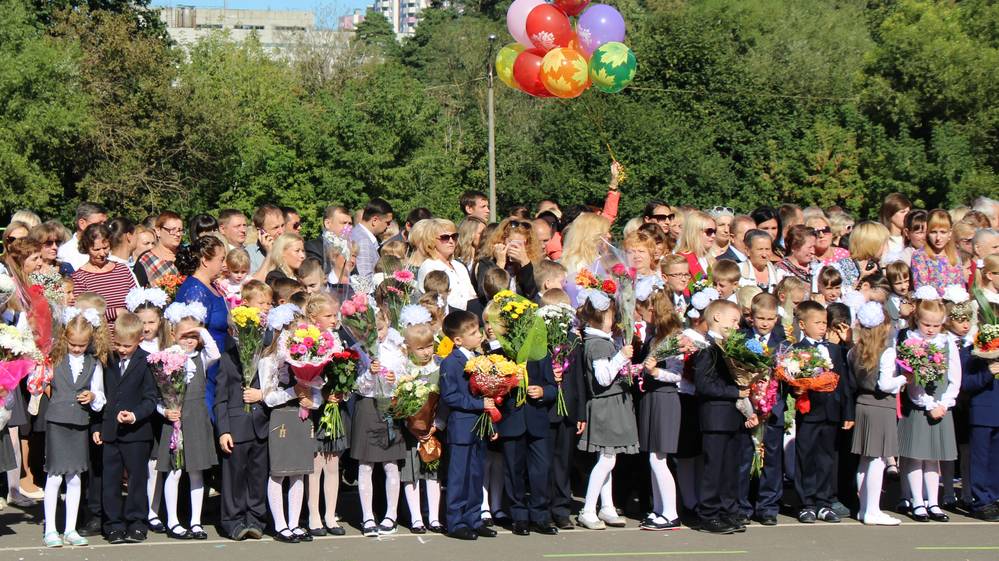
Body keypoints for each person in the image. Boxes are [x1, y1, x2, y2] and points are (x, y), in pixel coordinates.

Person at [40, 307, 109, 548]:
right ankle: (51, 528)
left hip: (80, 422)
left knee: (76, 475)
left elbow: (100, 394)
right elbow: (40, 382)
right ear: (65, 339)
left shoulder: (93, 363)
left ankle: (70, 528)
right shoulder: (55, 358)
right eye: (73, 344)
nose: (77, 348)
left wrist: (92, 396)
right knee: (54, 474)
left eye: (82, 344)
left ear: (90, 341)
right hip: (57, 421)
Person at [489, 302, 558, 536]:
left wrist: (542, 392)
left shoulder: (540, 353)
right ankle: (518, 515)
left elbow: (553, 387)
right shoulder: (499, 355)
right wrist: (509, 383)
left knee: (541, 470)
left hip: (537, 420)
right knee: (513, 469)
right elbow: (491, 390)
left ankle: (540, 514)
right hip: (512, 420)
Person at [157, 302, 220, 540]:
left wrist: (201, 331)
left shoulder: (201, 358)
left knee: (196, 472)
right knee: (174, 472)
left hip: (196, 420)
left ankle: (196, 521)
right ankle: (173, 520)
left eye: (194, 336)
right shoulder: (166, 357)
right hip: (175, 420)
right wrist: (165, 411)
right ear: (173, 334)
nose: (189, 340)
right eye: (185, 335)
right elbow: (157, 394)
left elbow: (215, 352)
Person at [575, 288, 637, 530]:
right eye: (610, 316)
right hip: (605, 406)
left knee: (608, 458)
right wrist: (621, 356)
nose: (614, 320)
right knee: (607, 459)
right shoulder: (597, 344)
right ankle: (588, 508)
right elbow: (602, 377)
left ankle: (607, 505)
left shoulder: (601, 341)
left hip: (611, 404)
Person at [95, 312, 159, 543]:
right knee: (110, 480)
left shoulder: (147, 361)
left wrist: (134, 415)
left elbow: (151, 398)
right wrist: (98, 426)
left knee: (136, 480)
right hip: (111, 430)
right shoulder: (109, 360)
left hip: (137, 433)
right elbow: (101, 394)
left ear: (139, 340)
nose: (122, 349)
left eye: (127, 346)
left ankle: (137, 522)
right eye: (119, 344)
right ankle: (113, 524)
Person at [897, 293, 960, 523]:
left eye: (936, 325)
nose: (931, 329)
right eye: (926, 324)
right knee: (915, 457)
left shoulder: (947, 342)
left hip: (941, 406)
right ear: (917, 320)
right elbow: (912, 380)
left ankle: (933, 501)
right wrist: (928, 404)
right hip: (919, 405)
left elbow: (955, 377)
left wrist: (944, 403)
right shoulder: (910, 340)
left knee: (934, 458)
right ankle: (917, 501)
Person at [260, 314, 321, 544]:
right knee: (279, 472)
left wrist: (311, 402)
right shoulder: (269, 361)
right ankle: (280, 524)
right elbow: (268, 398)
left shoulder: (307, 359)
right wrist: (293, 392)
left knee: (299, 472)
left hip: (301, 418)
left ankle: (294, 523)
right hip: (281, 418)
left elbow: (316, 392)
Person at [793, 301, 854, 524]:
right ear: (802, 324)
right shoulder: (797, 351)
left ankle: (824, 502)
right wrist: (796, 388)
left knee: (827, 458)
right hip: (809, 412)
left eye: (824, 323)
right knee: (806, 456)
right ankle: (806, 503)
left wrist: (848, 412)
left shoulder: (834, 350)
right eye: (817, 322)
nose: (822, 327)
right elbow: (792, 381)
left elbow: (843, 382)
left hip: (831, 411)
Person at [694, 299, 752, 535]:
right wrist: (734, 391)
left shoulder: (730, 348)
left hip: (732, 417)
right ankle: (708, 513)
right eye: (734, 320)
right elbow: (704, 384)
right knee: (714, 468)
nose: (737, 326)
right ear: (717, 317)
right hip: (715, 417)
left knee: (730, 468)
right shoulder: (706, 348)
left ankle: (728, 510)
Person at [439, 310, 495, 541]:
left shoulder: (478, 357)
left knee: (475, 475)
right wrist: (477, 403)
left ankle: (474, 517)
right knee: (458, 476)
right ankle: (455, 521)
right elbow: (450, 396)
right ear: (458, 340)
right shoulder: (451, 363)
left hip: (478, 426)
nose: (479, 334)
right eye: (472, 333)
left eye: (477, 330)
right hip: (461, 426)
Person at [848, 302, 903, 526]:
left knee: (865, 459)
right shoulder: (886, 351)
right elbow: (885, 384)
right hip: (881, 407)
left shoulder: (854, 350)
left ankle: (864, 509)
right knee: (879, 460)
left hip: (862, 404)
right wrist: (904, 379)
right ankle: (872, 510)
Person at [351, 309, 405, 537]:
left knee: (391, 464)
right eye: (372, 331)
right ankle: (367, 517)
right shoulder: (359, 350)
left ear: (388, 325)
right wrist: (369, 374)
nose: (377, 335)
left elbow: (406, 377)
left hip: (389, 407)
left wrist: (395, 379)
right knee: (365, 465)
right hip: (367, 406)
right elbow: (357, 386)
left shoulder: (397, 349)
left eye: (380, 329)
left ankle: (391, 515)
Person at [638, 288, 685, 530]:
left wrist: (655, 371)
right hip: (652, 396)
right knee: (653, 457)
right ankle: (659, 509)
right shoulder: (655, 337)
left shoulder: (673, 338)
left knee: (659, 458)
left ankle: (670, 513)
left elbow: (677, 375)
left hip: (665, 398)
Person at [738, 293, 786, 526]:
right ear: (751, 317)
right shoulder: (741, 339)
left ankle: (767, 506)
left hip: (772, 408)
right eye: (760, 318)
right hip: (748, 408)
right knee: (745, 457)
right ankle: (742, 505)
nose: (765, 323)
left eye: (770, 318)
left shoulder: (783, 343)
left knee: (772, 458)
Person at [396, 307, 446, 534]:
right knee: (411, 473)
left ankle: (434, 517)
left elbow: (444, 400)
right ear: (408, 349)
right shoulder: (405, 371)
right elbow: (398, 402)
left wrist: (436, 425)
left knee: (432, 472)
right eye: (421, 348)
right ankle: (416, 517)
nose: (427, 352)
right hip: (410, 432)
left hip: (433, 430)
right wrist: (411, 424)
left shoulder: (439, 367)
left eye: (429, 346)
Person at [303, 292, 349, 537]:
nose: (333, 320)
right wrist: (324, 392)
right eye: (328, 315)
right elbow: (307, 376)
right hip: (317, 408)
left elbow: (345, 371)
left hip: (335, 407)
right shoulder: (308, 341)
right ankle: (313, 515)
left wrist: (341, 391)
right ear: (313, 317)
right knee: (316, 464)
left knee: (333, 464)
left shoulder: (338, 339)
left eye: (335, 315)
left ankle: (331, 514)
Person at [174, 236, 230, 418]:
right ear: (205, 260)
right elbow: (190, 333)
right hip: (206, 366)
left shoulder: (212, 285)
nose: (224, 264)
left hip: (219, 363)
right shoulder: (195, 290)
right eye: (221, 259)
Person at [71, 223, 138, 326]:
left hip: (127, 333)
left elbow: (137, 300)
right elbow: (80, 315)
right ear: (86, 248)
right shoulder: (79, 278)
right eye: (96, 250)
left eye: (105, 247)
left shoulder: (122, 270)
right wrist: (113, 313)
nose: (102, 254)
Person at [414, 219, 476, 311]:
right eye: (445, 237)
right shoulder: (429, 266)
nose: (451, 241)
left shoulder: (459, 266)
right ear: (431, 240)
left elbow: (472, 296)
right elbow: (435, 303)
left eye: (454, 236)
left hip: (469, 318)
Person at [911, 210, 963, 294]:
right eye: (933, 232)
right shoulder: (919, 256)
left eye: (943, 232)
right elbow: (922, 290)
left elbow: (961, 287)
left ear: (950, 233)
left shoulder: (955, 255)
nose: (938, 237)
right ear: (927, 232)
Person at [133, 211, 183, 288]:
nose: (178, 234)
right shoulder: (145, 260)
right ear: (158, 231)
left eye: (180, 230)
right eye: (173, 230)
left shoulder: (187, 255)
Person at [350, 198, 394, 280]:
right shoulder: (363, 241)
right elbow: (365, 279)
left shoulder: (357, 233)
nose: (388, 226)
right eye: (387, 222)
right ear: (374, 220)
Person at [58, 202, 108, 271]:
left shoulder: (109, 248)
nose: (103, 228)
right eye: (97, 224)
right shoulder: (65, 253)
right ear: (82, 223)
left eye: (105, 223)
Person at [305, 205, 353, 274]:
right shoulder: (313, 247)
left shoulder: (349, 248)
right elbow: (318, 276)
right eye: (344, 223)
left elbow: (355, 275)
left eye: (350, 224)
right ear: (327, 223)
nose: (348, 227)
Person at [676, 211, 717, 283]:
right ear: (695, 232)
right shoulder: (682, 259)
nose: (713, 235)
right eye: (709, 231)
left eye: (714, 231)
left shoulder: (711, 260)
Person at [246, 205, 285, 274]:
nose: (281, 231)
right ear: (261, 231)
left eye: (282, 225)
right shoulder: (249, 254)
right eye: (276, 228)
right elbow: (255, 283)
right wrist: (269, 254)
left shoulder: (291, 248)